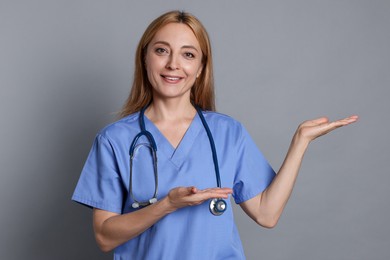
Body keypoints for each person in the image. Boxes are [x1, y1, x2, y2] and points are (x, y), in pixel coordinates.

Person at [72, 10, 358, 259]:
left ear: (200, 69)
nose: (173, 63)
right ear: (145, 58)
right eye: (161, 50)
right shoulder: (115, 140)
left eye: (188, 54)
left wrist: (300, 142)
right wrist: (168, 204)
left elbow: (266, 214)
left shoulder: (227, 133)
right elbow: (105, 237)